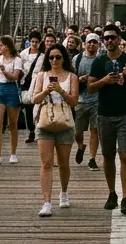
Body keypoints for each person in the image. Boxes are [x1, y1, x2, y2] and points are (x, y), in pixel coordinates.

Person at [90, 24, 126, 214]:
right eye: (106, 38)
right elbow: (90, 87)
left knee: (124, 154)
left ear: (119, 39)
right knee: (107, 155)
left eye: (112, 37)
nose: (109, 41)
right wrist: (104, 81)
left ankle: (125, 198)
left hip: (125, 113)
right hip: (104, 114)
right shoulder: (98, 62)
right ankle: (112, 193)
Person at [32, 43, 79, 216]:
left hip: (65, 121)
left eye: (58, 57)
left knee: (63, 163)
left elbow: (74, 101)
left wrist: (60, 90)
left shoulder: (71, 77)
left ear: (64, 58)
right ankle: (46, 202)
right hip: (45, 121)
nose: (54, 60)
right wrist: (46, 91)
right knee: (46, 163)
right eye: (51, 57)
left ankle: (64, 192)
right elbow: (35, 99)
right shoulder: (41, 76)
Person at [0, 36, 24, 165]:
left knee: (12, 124)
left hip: (11, 90)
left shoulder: (17, 60)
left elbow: (15, 77)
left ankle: (13, 153)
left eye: (1, 45)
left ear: (8, 46)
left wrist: (5, 72)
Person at [73, 32, 103, 171]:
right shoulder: (77, 59)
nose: (91, 44)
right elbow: (72, 77)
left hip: (97, 99)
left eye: (94, 42)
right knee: (78, 132)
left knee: (94, 130)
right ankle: (80, 146)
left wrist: (93, 80)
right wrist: (79, 80)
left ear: (98, 45)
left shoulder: (102, 59)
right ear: (85, 43)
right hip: (80, 99)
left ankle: (92, 158)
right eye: (89, 42)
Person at [18, 31, 45, 143]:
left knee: (36, 107)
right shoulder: (23, 54)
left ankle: (37, 130)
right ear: (29, 41)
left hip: (36, 83)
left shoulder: (42, 56)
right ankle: (31, 131)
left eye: (36, 42)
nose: (34, 44)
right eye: (32, 41)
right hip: (24, 83)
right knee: (28, 108)